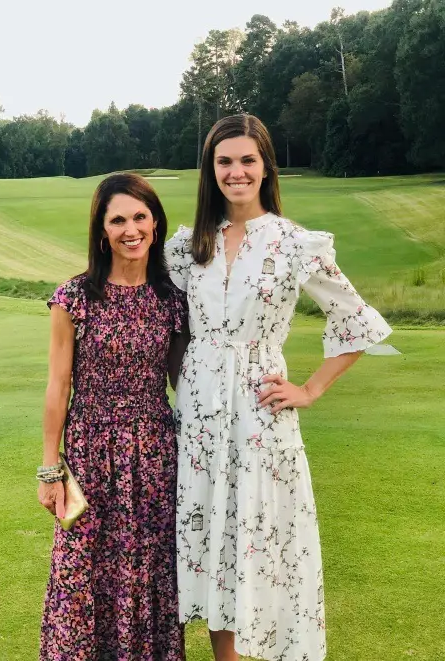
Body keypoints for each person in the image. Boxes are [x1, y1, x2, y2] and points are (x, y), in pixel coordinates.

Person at [165, 114, 392, 661]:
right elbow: (171, 331)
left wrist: (309, 390)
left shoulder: (294, 244)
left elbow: (358, 321)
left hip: (262, 421)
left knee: (257, 547)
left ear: (265, 166)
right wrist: (183, 388)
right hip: (197, 423)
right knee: (210, 550)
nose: (236, 172)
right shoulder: (189, 245)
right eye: (224, 161)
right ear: (210, 169)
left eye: (247, 160)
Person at [39, 173, 188, 660]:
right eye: (117, 219)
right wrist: (49, 467)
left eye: (140, 217)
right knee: (82, 570)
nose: (131, 229)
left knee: (147, 571)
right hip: (89, 453)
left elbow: (183, 381)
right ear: (102, 230)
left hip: (154, 455)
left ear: (156, 224)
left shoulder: (171, 300)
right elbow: (58, 385)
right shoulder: (74, 298)